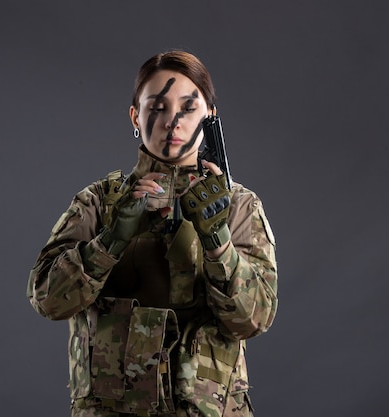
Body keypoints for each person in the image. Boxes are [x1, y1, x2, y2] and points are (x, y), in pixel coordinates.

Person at [26, 50, 278, 417]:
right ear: (135, 116)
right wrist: (110, 242)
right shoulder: (99, 201)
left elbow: (254, 320)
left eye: (188, 107)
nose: (172, 121)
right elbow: (48, 300)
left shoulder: (238, 207)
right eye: (157, 107)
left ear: (209, 117)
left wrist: (218, 244)